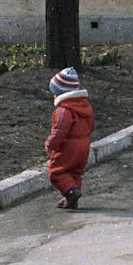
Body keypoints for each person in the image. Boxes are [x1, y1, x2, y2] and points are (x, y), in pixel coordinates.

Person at [45, 66, 94, 210]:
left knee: (56, 172)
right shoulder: (85, 107)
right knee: (74, 172)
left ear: (60, 93)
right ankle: (72, 199)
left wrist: (50, 144)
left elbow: (59, 131)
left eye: (54, 93)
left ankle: (71, 193)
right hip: (84, 144)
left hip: (68, 147)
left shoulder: (63, 111)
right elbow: (91, 125)